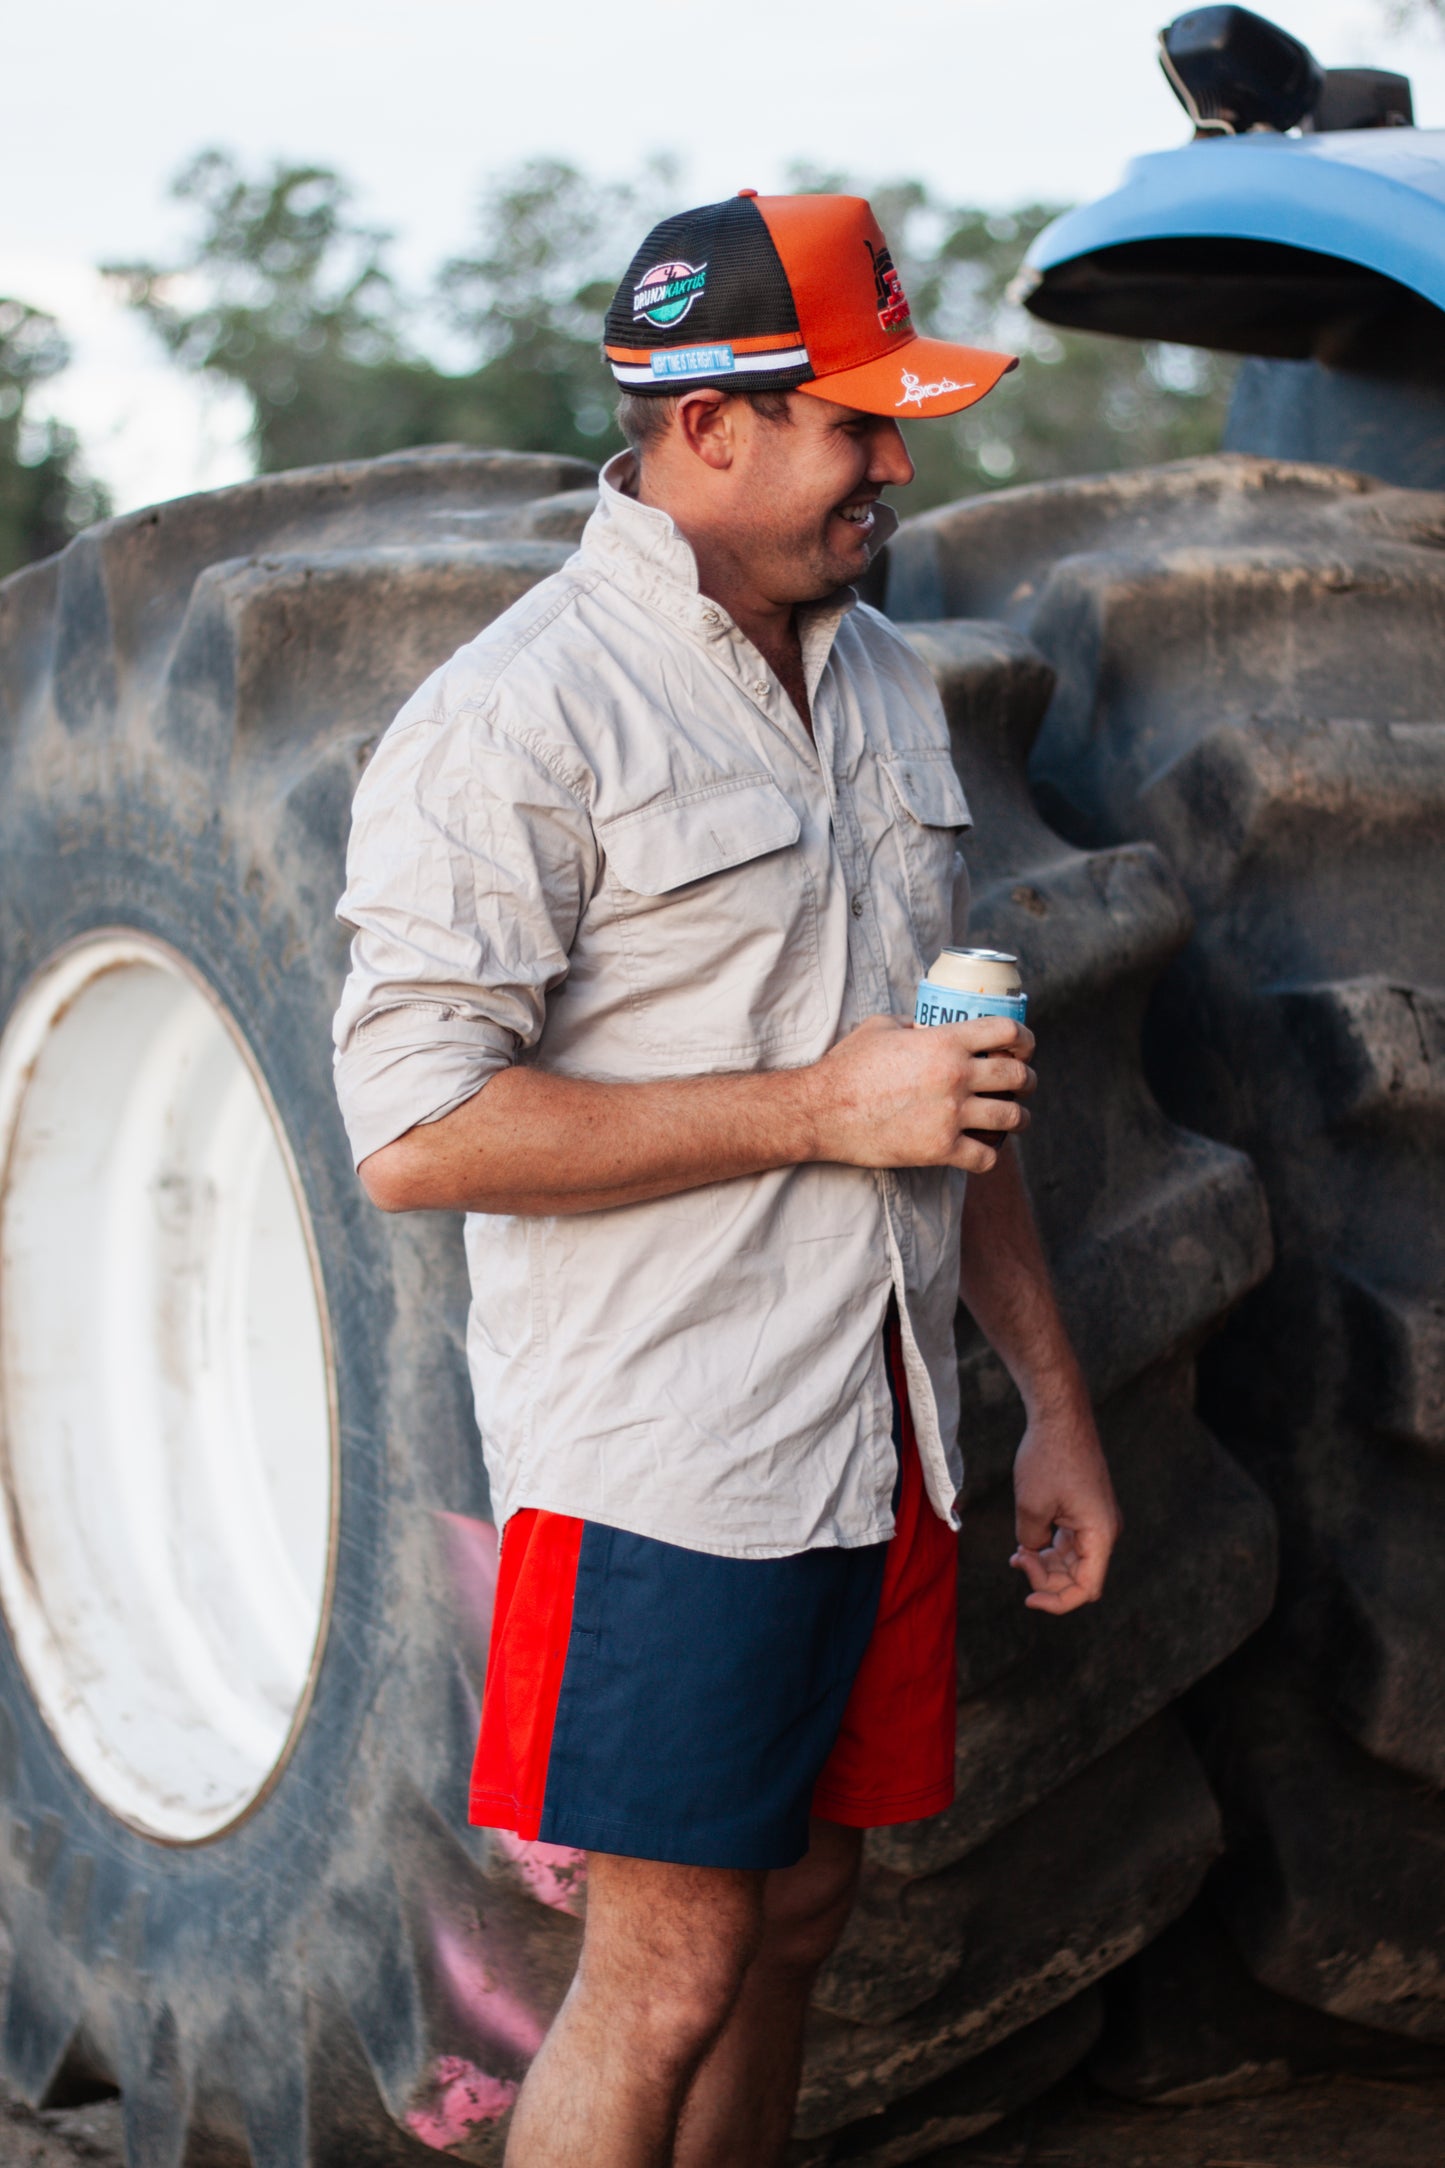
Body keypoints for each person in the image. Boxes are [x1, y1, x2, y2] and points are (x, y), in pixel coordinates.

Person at [332, 188, 1121, 2168]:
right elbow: (416, 1135)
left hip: (883, 1427)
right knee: (667, 1971)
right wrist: (813, 1109)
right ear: (707, 426)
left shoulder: (884, 678)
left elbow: (941, 1093)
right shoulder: (512, 716)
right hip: (669, 1464)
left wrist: (1050, 1400)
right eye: (858, 426)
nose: (896, 468)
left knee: (797, 1919)